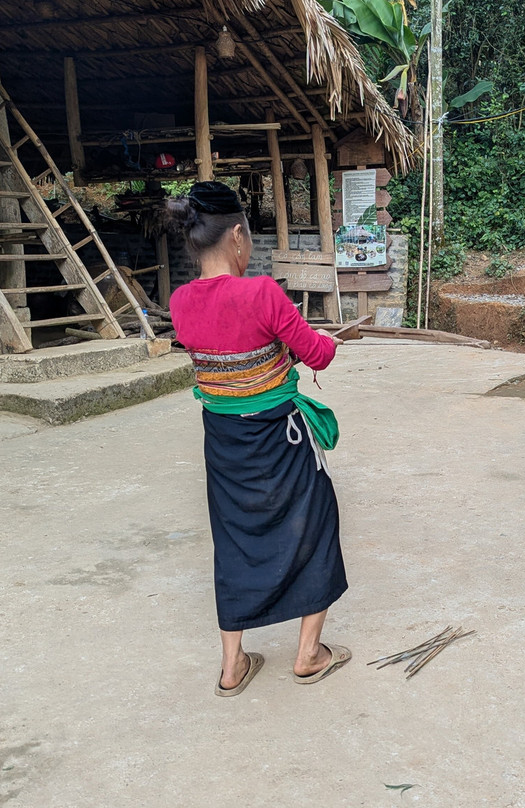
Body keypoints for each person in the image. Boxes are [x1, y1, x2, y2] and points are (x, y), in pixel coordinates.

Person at [166, 181, 350, 697]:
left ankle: (232, 665)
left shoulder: (180, 303)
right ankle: (310, 653)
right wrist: (321, 341)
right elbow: (318, 355)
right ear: (239, 236)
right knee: (316, 524)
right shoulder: (262, 293)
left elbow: (217, 359)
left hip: (223, 442)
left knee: (235, 539)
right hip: (280, 438)